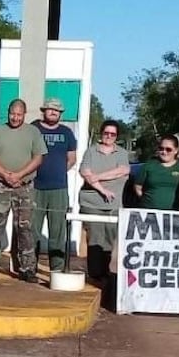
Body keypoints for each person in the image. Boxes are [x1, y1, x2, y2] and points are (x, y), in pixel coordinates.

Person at [0, 99, 47, 282]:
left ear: (24, 115)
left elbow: (39, 158)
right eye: (12, 114)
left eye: (19, 114)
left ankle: (27, 269)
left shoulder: (33, 132)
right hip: (1, 186)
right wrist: (5, 175)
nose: (15, 118)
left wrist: (19, 175)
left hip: (24, 187)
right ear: (7, 112)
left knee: (25, 229)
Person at [78, 120, 130, 280]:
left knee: (110, 239)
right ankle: (95, 273)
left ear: (117, 136)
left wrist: (98, 176)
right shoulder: (91, 151)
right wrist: (102, 189)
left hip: (114, 204)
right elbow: (85, 173)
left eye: (113, 134)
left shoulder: (121, 153)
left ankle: (108, 273)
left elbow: (123, 170)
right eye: (106, 133)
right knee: (95, 237)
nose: (109, 136)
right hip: (91, 202)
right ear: (101, 134)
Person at [30, 97, 77, 272]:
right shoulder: (33, 128)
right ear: (44, 110)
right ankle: (30, 267)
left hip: (59, 188)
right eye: (50, 109)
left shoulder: (66, 132)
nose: (53, 112)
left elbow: (72, 158)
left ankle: (56, 268)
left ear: (60, 114)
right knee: (32, 229)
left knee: (57, 231)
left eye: (56, 110)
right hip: (35, 187)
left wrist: (57, 170)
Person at [133, 134, 179, 210]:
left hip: (173, 213)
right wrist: (146, 201)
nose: (164, 152)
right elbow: (138, 186)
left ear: (176, 150)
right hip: (149, 211)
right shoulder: (149, 165)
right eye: (161, 148)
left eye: (168, 149)